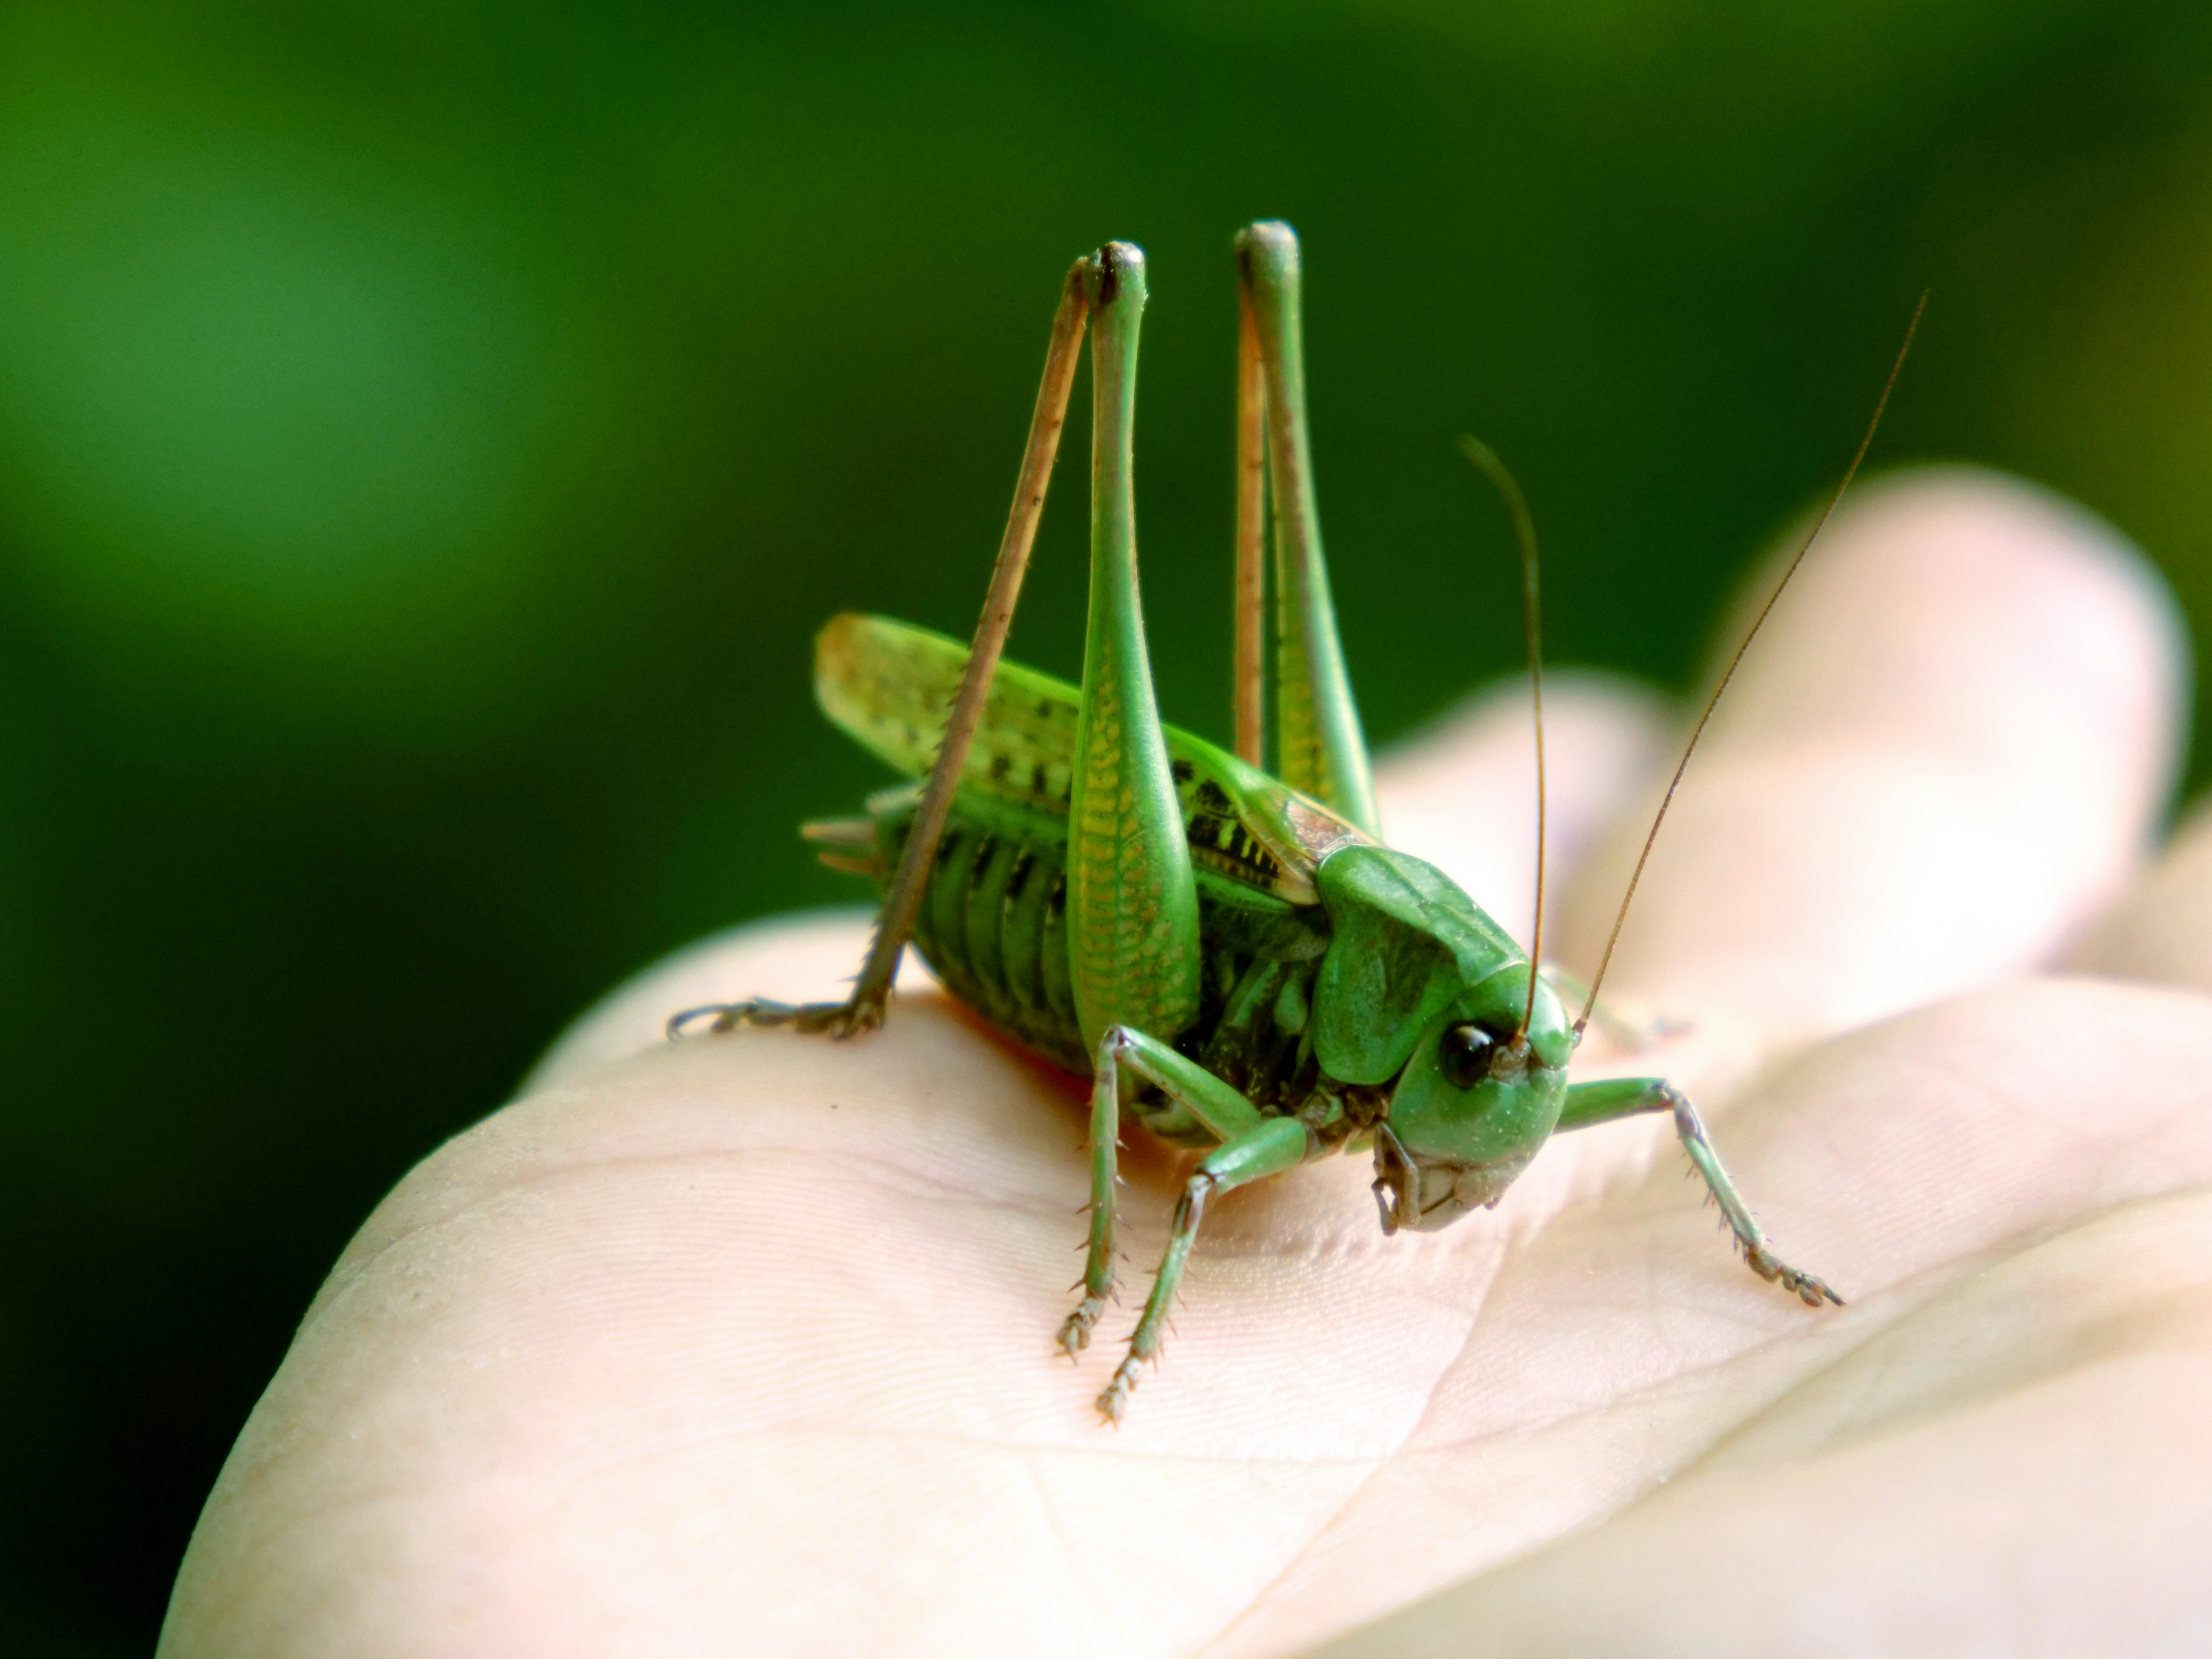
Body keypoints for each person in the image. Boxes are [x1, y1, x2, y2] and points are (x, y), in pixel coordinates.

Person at [158, 469, 2212, 1656]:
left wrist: (1752, 1256)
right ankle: (867, 990)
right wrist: (1109, 1304)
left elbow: (1648, 1087)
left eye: (1510, 1055)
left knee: (1624, 1064)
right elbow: (1152, 1070)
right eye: (1489, 1056)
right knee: (1178, 1036)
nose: (1507, 1085)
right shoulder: (1260, 1113)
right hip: (1059, 918)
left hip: (1267, 920)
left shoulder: (1509, 1029)